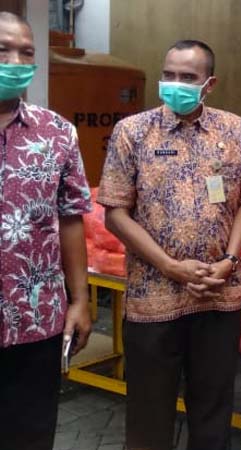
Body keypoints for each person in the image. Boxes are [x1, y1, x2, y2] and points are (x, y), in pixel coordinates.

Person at [98, 39, 241, 450]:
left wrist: (230, 260)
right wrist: (170, 266)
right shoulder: (132, 133)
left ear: (208, 84)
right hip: (152, 296)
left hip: (218, 294)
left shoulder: (235, 129)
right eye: (169, 74)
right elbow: (115, 213)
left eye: (188, 77)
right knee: (148, 413)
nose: (175, 84)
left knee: (213, 409)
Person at [0, 12, 92, 450]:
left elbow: (71, 218)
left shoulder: (58, 133)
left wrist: (80, 299)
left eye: (26, 52)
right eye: (3, 50)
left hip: (37, 319)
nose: (16, 60)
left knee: (30, 435)